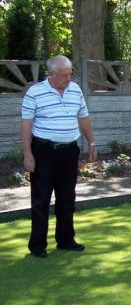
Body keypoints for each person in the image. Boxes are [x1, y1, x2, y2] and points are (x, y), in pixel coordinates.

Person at [21, 55, 97, 258]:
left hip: (69, 151)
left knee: (67, 197)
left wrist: (91, 142)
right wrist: (28, 154)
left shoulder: (76, 90)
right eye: (64, 75)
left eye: (70, 73)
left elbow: (84, 116)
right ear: (52, 74)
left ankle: (65, 240)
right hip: (43, 151)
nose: (68, 78)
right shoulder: (35, 93)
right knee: (41, 199)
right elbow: (26, 125)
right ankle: (37, 245)